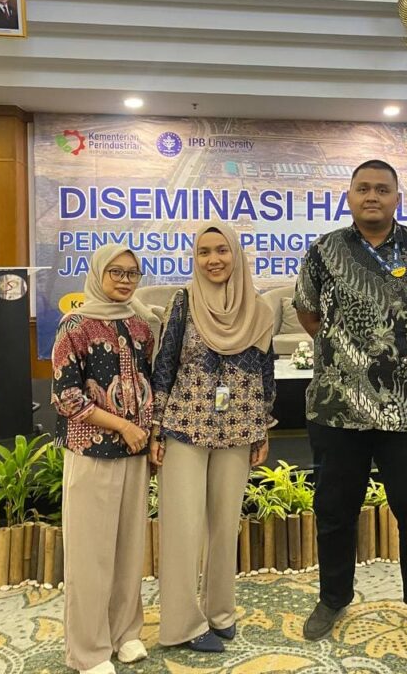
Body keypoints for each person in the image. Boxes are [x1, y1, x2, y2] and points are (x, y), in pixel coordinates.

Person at [293, 159, 407, 647]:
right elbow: (308, 312)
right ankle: (333, 597)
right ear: (349, 197)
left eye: (382, 189)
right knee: (334, 512)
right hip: (337, 407)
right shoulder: (324, 251)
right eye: (363, 188)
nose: (372, 196)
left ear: (397, 198)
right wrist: (349, 359)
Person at [149, 221, 276, 653]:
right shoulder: (182, 302)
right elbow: (164, 366)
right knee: (183, 529)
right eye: (204, 252)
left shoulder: (259, 309)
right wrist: (156, 430)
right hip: (185, 426)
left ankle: (220, 612)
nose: (213, 260)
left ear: (235, 254)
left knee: (225, 527)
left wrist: (262, 428)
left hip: (238, 428)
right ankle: (182, 624)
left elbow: (265, 374)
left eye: (221, 250)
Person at [51, 245, 154, 674]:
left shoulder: (140, 324)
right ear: (98, 273)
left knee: (129, 550)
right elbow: (67, 397)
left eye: (132, 273)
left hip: (134, 453)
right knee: (90, 554)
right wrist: (123, 426)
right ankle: (89, 650)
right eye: (116, 272)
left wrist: (146, 432)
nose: (125, 280)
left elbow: (149, 383)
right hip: (92, 451)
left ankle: (124, 633)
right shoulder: (74, 325)